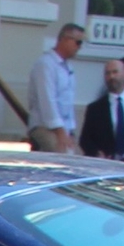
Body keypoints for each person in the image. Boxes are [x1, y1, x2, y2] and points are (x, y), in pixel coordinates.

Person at [28, 23, 85, 152]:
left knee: (80, 158)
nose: (80, 47)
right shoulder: (45, 64)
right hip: (44, 127)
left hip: (64, 129)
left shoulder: (67, 67)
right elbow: (47, 101)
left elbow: (68, 102)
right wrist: (60, 132)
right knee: (63, 157)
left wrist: (70, 131)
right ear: (65, 39)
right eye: (78, 42)